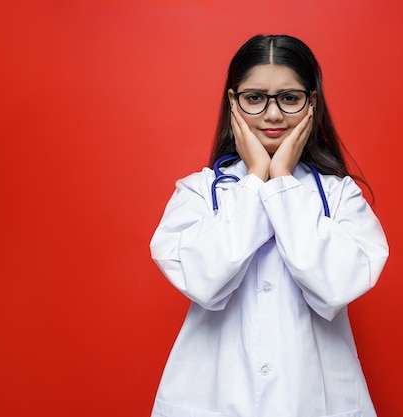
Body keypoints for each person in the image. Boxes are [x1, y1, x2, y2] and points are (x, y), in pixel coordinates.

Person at [149, 34, 389, 417]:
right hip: (211, 399)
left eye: (289, 98)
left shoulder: (341, 196)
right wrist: (258, 176)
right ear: (233, 102)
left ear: (312, 103)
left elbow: (335, 287)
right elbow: (204, 282)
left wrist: (280, 183)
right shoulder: (197, 193)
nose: (273, 114)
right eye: (255, 97)